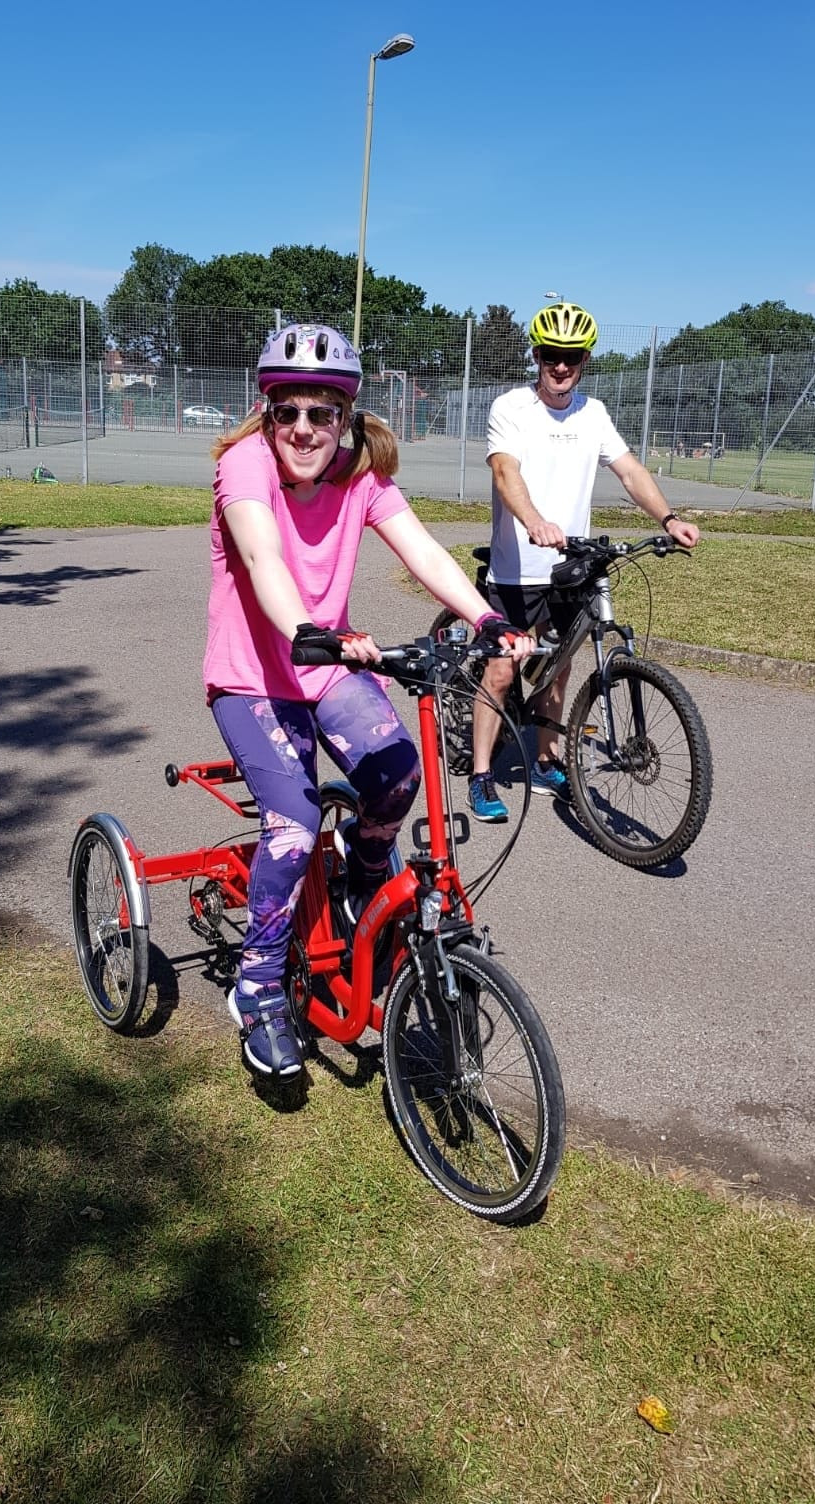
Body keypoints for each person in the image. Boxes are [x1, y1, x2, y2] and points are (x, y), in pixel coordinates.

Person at [204, 323, 532, 1079]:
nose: (304, 429)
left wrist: (488, 620)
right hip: (253, 676)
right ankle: (257, 989)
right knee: (292, 824)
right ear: (267, 411)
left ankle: (363, 876)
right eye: (288, 410)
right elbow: (261, 556)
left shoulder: (361, 476)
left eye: (322, 412)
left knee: (396, 773)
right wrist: (310, 630)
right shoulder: (244, 468)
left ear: (345, 416)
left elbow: (419, 548)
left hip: (326, 667)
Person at [468, 301, 700, 824]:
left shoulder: (592, 413)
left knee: (558, 669)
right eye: (551, 354)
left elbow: (630, 471)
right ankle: (481, 774)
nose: (560, 366)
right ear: (536, 354)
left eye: (571, 356)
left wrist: (668, 519)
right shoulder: (511, 408)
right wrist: (533, 521)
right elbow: (506, 473)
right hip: (518, 568)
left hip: (570, 567)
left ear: (585, 359)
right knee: (503, 671)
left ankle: (548, 759)